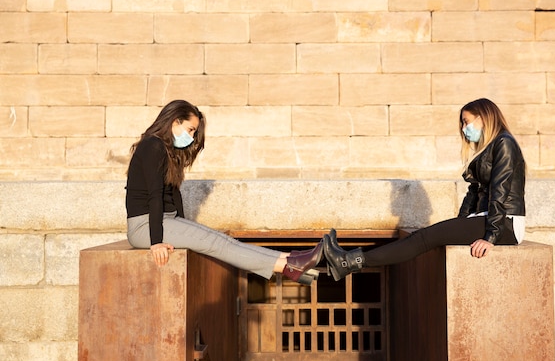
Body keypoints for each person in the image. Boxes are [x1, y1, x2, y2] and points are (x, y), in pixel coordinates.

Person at [323, 98, 526, 281]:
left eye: (467, 121)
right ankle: (347, 260)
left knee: (424, 239)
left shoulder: (504, 143)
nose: (464, 128)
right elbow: (472, 195)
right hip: (487, 219)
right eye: (463, 123)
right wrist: (457, 225)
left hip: (505, 224)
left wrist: (491, 237)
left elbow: (500, 192)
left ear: (484, 117)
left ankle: (346, 262)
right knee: (422, 236)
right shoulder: (487, 149)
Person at [125, 100, 322, 285]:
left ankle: (293, 259)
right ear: (175, 121)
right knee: (217, 245)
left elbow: (174, 195)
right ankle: (288, 267)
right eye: (190, 130)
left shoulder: (167, 150)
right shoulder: (153, 145)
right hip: (144, 226)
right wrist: (156, 242)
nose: (192, 137)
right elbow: (154, 195)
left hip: (167, 220)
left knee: (223, 239)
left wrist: (184, 227)